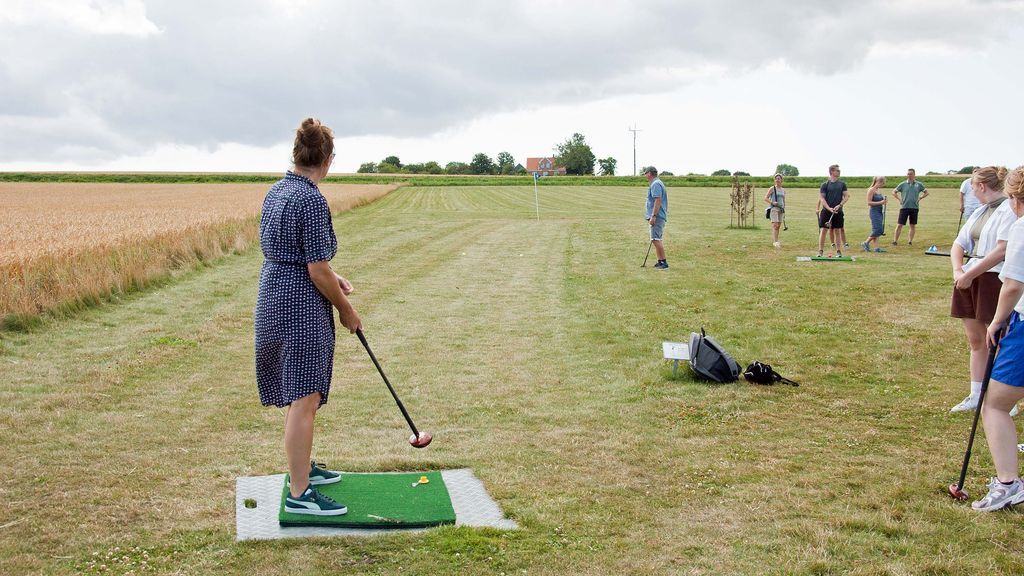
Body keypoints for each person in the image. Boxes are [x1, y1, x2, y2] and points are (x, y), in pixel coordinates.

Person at [255, 118, 362, 516]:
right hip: (299, 305)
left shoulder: (278, 191)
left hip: (274, 295)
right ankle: (300, 494)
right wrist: (347, 311)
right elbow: (315, 269)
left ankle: (302, 471)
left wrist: (334, 277)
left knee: (300, 395)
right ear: (328, 160)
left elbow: (295, 254)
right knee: (304, 397)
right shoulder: (312, 199)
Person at [973, 165, 1024, 511]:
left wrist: (995, 322)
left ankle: (1008, 483)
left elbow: (1013, 285)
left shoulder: (1021, 227)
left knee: (995, 404)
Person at [949, 166, 1019, 416]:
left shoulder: (1008, 211)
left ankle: (1003, 399)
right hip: (970, 277)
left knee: (997, 341)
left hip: (992, 278)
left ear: (980, 186)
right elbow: (959, 243)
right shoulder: (979, 211)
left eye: (973, 186)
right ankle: (976, 393)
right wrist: (959, 271)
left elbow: (1002, 250)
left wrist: (969, 274)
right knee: (976, 340)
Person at [817, 164, 849, 257]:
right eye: (837, 170)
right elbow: (822, 199)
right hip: (826, 211)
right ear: (832, 172)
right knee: (823, 230)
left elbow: (846, 196)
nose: (839, 172)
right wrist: (829, 208)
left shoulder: (842, 184)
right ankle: (820, 251)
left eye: (839, 170)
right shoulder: (825, 185)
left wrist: (840, 205)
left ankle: (839, 252)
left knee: (837, 231)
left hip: (838, 211)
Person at [891, 168, 929, 246]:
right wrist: (899, 199)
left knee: (912, 225)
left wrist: (920, 197)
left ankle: (910, 241)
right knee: (899, 225)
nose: (909, 175)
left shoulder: (919, 184)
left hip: (914, 207)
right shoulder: (903, 184)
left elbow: (926, 192)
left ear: (914, 175)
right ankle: (895, 241)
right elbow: (894, 192)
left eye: (911, 174)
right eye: (908, 174)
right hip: (904, 207)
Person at [643, 166, 669, 269]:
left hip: (657, 216)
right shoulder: (657, 183)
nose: (645, 176)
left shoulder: (656, 184)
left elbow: (657, 200)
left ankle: (663, 263)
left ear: (649, 173)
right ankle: (660, 261)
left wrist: (653, 216)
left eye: (645, 173)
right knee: (656, 238)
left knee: (655, 238)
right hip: (657, 216)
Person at [861, 176, 888, 252]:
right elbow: (869, 203)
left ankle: (876, 248)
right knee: (878, 229)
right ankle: (866, 242)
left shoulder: (878, 190)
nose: (883, 185)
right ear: (879, 182)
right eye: (883, 183)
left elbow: (881, 200)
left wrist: (884, 201)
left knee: (877, 229)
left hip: (879, 211)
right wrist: (881, 202)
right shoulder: (871, 190)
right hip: (874, 212)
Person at [763, 173, 786, 247]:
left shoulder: (783, 190)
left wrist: (784, 207)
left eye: (779, 178)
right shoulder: (772, 188)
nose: (777, 180)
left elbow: (783, 199)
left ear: (781, 180)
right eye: (776, 179)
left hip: (781, 209)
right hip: (774, 209)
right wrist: (772, 202)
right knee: (775, 225)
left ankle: (777, 240)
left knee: (778, 225)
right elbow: (765, 198)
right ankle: (775, 242)